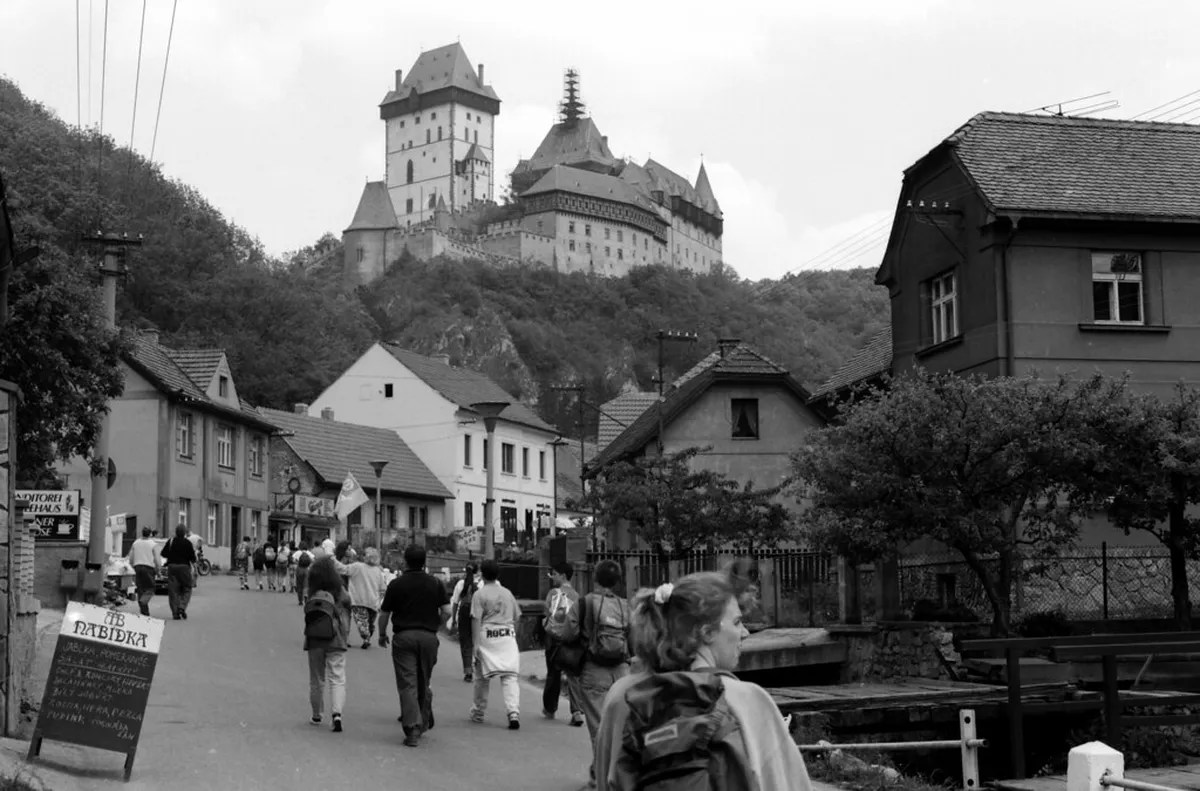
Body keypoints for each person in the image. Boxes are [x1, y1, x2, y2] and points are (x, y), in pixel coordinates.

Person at [593, 571, 812, 791]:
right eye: (737, 622)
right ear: (706, 633)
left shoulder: (624, 696)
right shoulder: (748, 700)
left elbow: (605, 781)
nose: (744, 632)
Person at [378, 545, 450, 747]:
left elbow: (384, 614)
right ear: (425, 561)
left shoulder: (397, 584)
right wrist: (437, 625)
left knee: (408, 683)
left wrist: (382, 634)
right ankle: (423, 718)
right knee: (423, 680)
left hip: (404, 637)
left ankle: (412, 728)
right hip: (428, 637)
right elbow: (447, 610)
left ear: (405, 561)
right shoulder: (435, 583)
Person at [573, 559, 632, 783]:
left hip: (594, 670)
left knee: (599, 727)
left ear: (595, 578)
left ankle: (600, 777)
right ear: (617, 581)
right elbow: (633, 638)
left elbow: (569, 632)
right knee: (621, 725)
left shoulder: (585, 602)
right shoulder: (625, 606)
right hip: (622, 671)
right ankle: (609, 773)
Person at [468, 559, 523, 730]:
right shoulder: (507, 593)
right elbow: (518, 617)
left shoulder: (479, 594)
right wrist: (515, 637)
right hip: (507, 635)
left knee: (482, 677)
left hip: (488, 635)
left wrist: (476, 644)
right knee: (510, 676)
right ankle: (513, 712)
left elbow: (476, 619)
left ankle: (478, 712)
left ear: (482, 574)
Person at [304, 556, 352, 733]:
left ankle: (317, 714)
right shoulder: (339, 590)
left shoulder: (312, 591)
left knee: (316, 678)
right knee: (337, 677)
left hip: (315, 638)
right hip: (336, 638)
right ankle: (337, 714)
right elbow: (348, 604)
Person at [542, 561, 584, 726]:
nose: (552, 577)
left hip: (553, 639)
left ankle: (550, 708)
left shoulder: (553, 593)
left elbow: (546, 613)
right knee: (573, 675)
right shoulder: (577, 597)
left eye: (555, 573)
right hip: (571, 640)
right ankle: (577, 711)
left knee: (553, 674)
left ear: (563, 575)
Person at [347, 548, 388, 649]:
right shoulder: (378, 571)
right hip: (373, 602)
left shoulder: (358, 566)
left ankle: (366, 636)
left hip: (359, 600)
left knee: (362, 621)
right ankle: (367, 637)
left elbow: (344, 569)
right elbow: (383, 587)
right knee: (369, 622)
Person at [449, 563, 479, 682]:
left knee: (466, 642)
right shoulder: (481, 584)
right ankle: (479, 666)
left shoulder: (460, 584)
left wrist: (454, 620)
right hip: (478, 612)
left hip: (464, 612)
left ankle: (468, 672)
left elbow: (455, 603)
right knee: (478, 640)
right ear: (477, 571)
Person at [160, 524, 197, 620]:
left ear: (176, 532)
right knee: (187, 588)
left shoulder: (171, 541)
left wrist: (171, 555)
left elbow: (163, 553)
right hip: (184, 568)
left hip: (172, 568)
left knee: (173, 591)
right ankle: (182, 607)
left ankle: (175, 613)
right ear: (185, 533)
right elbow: (193, 559)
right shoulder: (188, 543)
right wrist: (195, 570)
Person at [126, 527, 160, 616]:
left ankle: (144, 611)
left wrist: (132, 565)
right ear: (150, 534)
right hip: (148, 568)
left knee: (140, 589)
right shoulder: (153, 544)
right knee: (151, 588)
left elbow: (131, 557)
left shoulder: (135, 543)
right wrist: (158, 569)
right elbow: (157, 558)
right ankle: (143, 602)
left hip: (137, 567)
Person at [294, 541, 314, 606]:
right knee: (306, 584)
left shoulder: (297, 552)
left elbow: (293, 560)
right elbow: (313, 560)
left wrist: (297, 562)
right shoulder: (309, 553)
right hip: (306, 569)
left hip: (299, 569)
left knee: (299, 585)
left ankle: (300, 600)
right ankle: (305, 595)